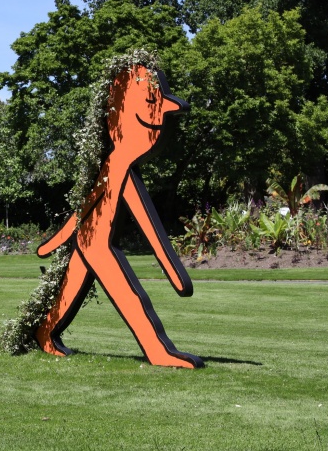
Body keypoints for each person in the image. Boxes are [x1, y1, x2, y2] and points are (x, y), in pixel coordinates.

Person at [35, 65, 204, 369]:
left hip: (89, 242)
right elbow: (86, 208)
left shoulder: (120, 165)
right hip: (94, 244)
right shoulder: (116, 165)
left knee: (68, 293)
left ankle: (44, 334)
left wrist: (175, 274)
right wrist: (55, 240)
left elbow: (146, 225)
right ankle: (157, 351)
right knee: (129, 296)